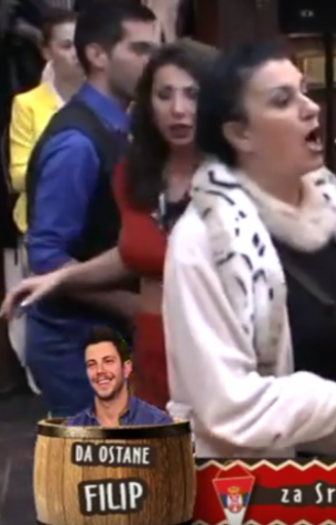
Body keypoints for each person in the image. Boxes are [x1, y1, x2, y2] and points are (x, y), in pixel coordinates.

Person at [162, 41, 336, 458]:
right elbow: (226, 404)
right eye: (282, 101)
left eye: (304, 91)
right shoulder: (204, 239)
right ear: (240, 133)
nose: (311, 108)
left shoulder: (330, 200)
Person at [0, 40, 217, 409]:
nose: (178, 109)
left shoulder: (237, 179)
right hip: (151, 352)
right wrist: (61, 278)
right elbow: (137, 250)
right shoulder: (137, 173)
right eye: (164, 95)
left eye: (193, 95)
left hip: (214, 353)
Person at [23, 2, 158, 417]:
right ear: (98, 55)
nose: (153, 64)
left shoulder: (122, 125)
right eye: (140, 50)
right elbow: (46, 257)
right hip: (74, 339)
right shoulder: (77, 144)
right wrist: (129, 305)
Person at [4, 7, 82, 394]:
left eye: (80, 44)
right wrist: (63, 163)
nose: (75, 54)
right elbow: (18, 174)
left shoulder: (107, 98)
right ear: (47, 51)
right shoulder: (28, 104)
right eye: (65, 45)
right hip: (42, 224)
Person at [65, 326, 173, 426]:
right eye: (92, 364)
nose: (99, 370)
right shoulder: (73, 428)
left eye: (108, 361)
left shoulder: (157, 424)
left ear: (126, 368)